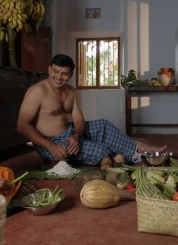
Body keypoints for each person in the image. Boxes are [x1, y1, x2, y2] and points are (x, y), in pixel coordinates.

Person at [17, 54, 166, 167]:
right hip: (52, 142)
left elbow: (79, 119)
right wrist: (51, 146)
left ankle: (140, 149)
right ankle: (131, 155)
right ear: (49, 69)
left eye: (64, 74)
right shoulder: (37, 91)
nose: (58, 77)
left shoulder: (70, 91)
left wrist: (76, 135)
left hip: (70, 133)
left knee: (103, 125)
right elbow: (22, 125)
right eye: (55, 71)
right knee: (101, 151)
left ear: (71, 75)